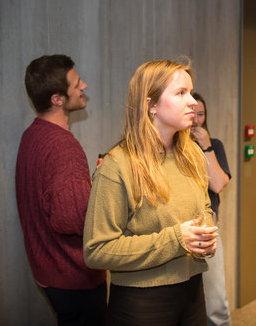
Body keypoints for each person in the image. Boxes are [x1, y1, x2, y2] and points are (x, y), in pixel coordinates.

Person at [83, 60, 218, 326]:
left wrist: (205, 236)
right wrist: (177, 240)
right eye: (181, 93)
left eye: (191, 92)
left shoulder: (191, 153)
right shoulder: (118, 165)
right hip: (142, 303)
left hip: (192, 292)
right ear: (151, 105)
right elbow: (97, 250)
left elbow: (204, 209)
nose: (192, 101)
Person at [15, 55, 107, 325]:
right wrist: (101, 193)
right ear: (57, 99)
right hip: (74, 276)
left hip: (48, 271)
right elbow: (74, 219)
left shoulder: (32, 134)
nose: (85, 86)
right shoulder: (63, 145)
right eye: (77, 84)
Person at [191, 92, 232, 326]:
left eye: (201, 114)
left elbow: (217, 184)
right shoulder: (170, 147)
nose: (196, 119)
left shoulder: (214, 145)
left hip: (207, 233)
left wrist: (205, 145)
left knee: (216, 305)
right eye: (192, 113)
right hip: (177, 233)